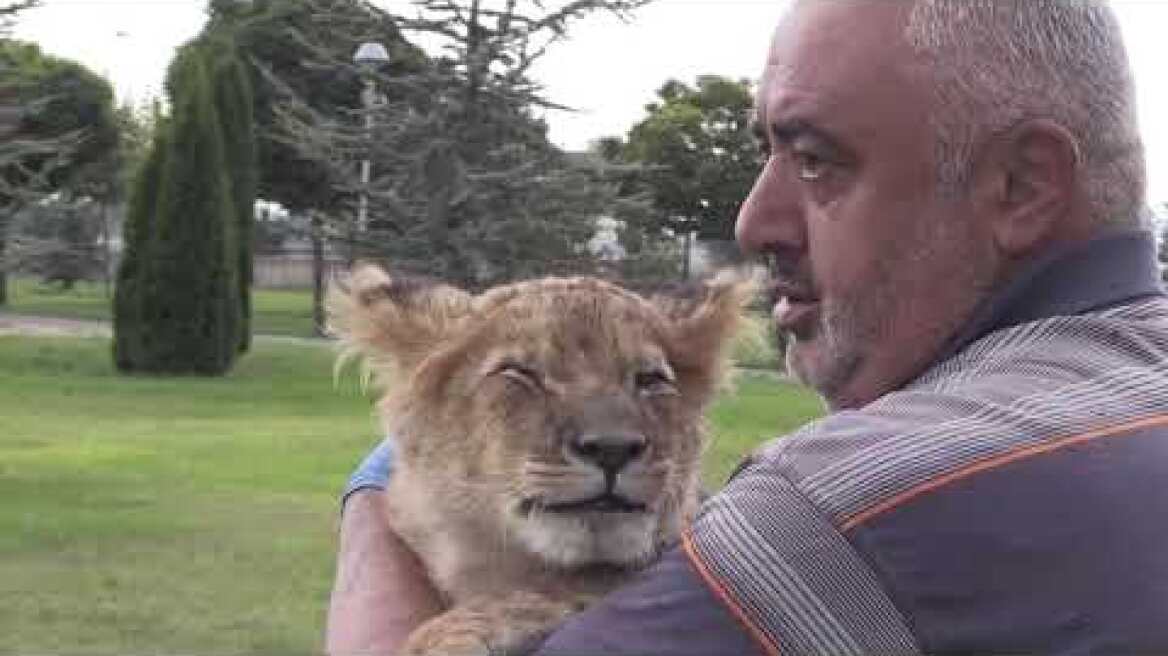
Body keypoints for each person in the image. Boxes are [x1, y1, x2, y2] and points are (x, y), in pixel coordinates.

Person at [327, 0, 1168, 653]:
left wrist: (381, 489)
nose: (754, 221)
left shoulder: (852, 505)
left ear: (1021, 188)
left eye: (816, 162)